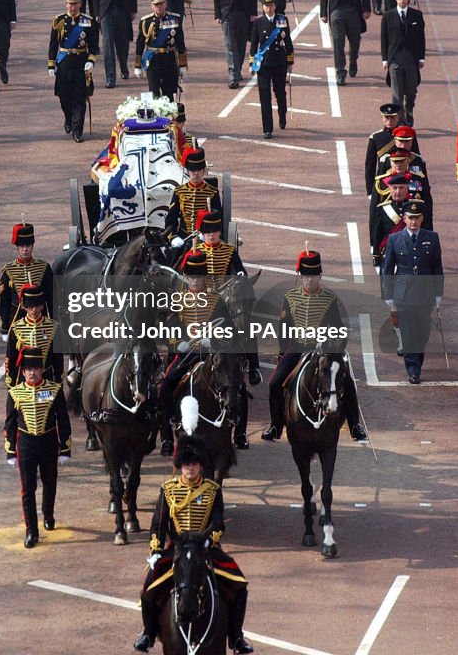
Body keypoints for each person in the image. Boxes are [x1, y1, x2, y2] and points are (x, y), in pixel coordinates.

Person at [133, 432, 253, 654]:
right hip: (178, 548)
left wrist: (208, 541)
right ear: (180, 465)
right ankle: (148, 633)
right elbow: (159, 523)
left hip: (205, 547)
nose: (191, 468)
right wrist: (156, 549)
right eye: (187, 464)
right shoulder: (168, 490)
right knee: (149, 587)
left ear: (201, 466)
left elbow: (218, 522)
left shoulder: (212, 490)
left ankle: (236, 636)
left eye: (195, 464)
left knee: (239, 584)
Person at [261, 250, 367, 441]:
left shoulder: (329, 299)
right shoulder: (290, 297)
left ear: (319, 276)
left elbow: (339, 330)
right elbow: (284, 328)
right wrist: (282, 353)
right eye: (305, 276)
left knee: (348, 384)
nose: (308, 280)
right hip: (299, 347)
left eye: (312, 276)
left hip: (323, 349)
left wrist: (332, 345)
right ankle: (276, 426)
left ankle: (355, 426)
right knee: (274, 383)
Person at [157, 251, 237, 456]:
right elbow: (169, 326)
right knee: (166, 387)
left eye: (199, 277)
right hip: (186, 353)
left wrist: (214, 340)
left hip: (210, 351)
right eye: (192, 277)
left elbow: (227, 328)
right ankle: (167, 435)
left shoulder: (216, 300)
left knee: (236, 385)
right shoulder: (178, 299)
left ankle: (238, 428)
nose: (195, 281)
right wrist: (179, 343)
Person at [8, 347, 72, 548]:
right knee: (27, 489)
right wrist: (10, 451)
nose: (32, 372)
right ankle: (31, 531)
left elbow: (63, 420)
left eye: (36, 368)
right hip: (26, 445)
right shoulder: (15, 393)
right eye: (28, 369)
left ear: (42, 369)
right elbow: (9, 424)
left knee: (50, 481)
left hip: (48, 442)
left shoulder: (54, 390)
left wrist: (65, 448)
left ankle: (48, 513)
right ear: (24, 371)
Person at [381, 200, 443, 383]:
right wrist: (388, 295)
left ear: (422, 218)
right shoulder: (394, 239)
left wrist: (438, 293)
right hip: (403, 293)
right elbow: (388, 269)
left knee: (423, 331)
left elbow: (436, 267)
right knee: (408, 333)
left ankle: (417, 361)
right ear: (404, 218)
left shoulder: (432, 238)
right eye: (410, 218)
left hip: (424, 292)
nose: (413, 222)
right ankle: (413, 369)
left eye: (417, 218)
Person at [4, 285, 64, 463]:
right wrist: (12, 385)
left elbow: (57, 358)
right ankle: (21, 451)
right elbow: (10, 359)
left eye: (37, 305)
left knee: (50, 416)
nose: (34, 309)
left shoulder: (53, 327)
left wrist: (57, 378)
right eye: (30, 306)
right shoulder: (16, 329)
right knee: (21, 418)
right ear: (24, 307)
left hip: (46, 376)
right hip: (25, 378)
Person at [48, 0, 98, 143]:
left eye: (75, 4)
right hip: (64, 64)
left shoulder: (88, 21)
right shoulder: (59, 21)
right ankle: (68, 118)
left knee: (79, 98)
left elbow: (94, 46)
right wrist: (51, 64)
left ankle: (77, 130)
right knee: (64, 97)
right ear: (66, 4)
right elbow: (53, 44)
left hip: (80, 63)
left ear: (80, 4)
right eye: (70, 4)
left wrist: (91, 60)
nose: (72, 7)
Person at [0, 222, 55, 339]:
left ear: (32, 246)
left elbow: (51, 298)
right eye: (22, 246)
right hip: (17, 319)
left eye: (28, 245)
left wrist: (52, 322)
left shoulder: (44, 268)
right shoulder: (8, 270)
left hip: (40, 320)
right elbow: (5, 301)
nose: (25, 249)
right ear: (17, 247)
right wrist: (5, 326)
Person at [250, 0, 294, 139]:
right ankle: (267, 128)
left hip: (279, 63)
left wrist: (290, 61)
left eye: (271, 5)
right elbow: (254, 45)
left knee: (280, 92)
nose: (269, 8)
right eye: (266, 6)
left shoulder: (282, 20)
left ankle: (282, 115)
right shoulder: (257, 22)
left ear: (275, 5)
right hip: (264, 64)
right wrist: (252, 63)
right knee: (264, 96)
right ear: (262, 7)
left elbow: (287, 41)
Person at [380, 0, 425, 125]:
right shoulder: (388, 16)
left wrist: (421, 57)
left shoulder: (417, 15)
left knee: (411, 91)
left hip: (411, 58)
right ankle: (401, 121)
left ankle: (409, 109)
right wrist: (385, 59)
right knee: (397, 94)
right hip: (394, 58)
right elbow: (384, 39)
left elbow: (421, 38)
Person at [134, 0, 187, 100]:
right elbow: (140, 44)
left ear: (166, 4)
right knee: (154, 95)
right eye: (156, 5)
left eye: (161, 4)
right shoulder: (146, 22)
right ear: (152, 6)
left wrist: (182, 64)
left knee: (169, 96)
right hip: (153, 62)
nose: (159, 7)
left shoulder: (174, 19)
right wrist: (137, 66)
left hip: (169, 61)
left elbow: (180, 43)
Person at [164, 147, 221, 246]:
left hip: (205, 239)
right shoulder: (179, 192)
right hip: (183, 238)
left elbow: (218, 218)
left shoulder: (212, 192)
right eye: (192, 170)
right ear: (187, 171)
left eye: (199, 169)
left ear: (204, 170)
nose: (196, 173)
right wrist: (173, 237)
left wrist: (206, 233)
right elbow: (171, 218)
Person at [364, 102, 420, 198]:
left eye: (392, 118)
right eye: (386, 118)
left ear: (398, 118)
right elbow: (370, 166)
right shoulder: (376, 137)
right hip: (385, 183)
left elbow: (416, 159)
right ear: (382, 118)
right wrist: (370, 191)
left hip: (407, 181)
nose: (389, 121)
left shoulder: (407, 135)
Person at [197, 210, 246, 280]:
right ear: (203, 234)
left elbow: (239, 269)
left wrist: (241, 274)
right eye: (208, 232)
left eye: (214, 231)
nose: (211, 235)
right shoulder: (196, 250)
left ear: (220, 232)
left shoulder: (230, 250)